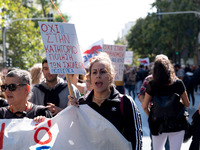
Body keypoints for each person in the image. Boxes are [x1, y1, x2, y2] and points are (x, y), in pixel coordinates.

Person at [68, 52, 142, 150]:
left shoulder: (125, 102)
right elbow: (73, 137)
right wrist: (71, 111)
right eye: (94, 72)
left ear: (111, 76)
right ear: (89, 78)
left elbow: (136, 141)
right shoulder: (82, 104)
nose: (98, 76)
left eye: (102, 72)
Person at [142, 57, 190, 150]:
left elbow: (144, 106)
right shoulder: (178, 83)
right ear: (169, 69)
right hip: (177, 124)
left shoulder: (151, 85)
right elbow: (187, 104)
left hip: (158, 125)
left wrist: (152, 116)